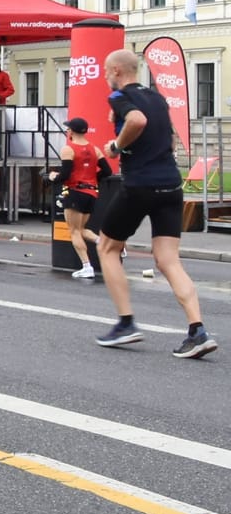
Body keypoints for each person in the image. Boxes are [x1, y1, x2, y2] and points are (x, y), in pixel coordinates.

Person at [94, 49, 216, 357]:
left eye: (107, 72)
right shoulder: (159, 99)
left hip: (140, 184)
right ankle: (197, 330)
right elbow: (169, 138)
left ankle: (126, 323)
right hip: (171, 185)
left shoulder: (120, 98)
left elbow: (137, 120)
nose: (106, 77)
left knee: (107, 247)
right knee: (168, 260)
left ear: (118, 71)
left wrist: (115, 146)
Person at [51, 116, 107, 279]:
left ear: (73, 131)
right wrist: (92, 179)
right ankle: (106, 244)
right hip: (91, 193)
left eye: (68, 128)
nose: (67, 130)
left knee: (74, 231)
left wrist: (54, 176)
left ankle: (86, 266)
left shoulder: (68, 149)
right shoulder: (95, 149)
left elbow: (66, 174)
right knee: (82, 229)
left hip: (75, 191)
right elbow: (107, 171)